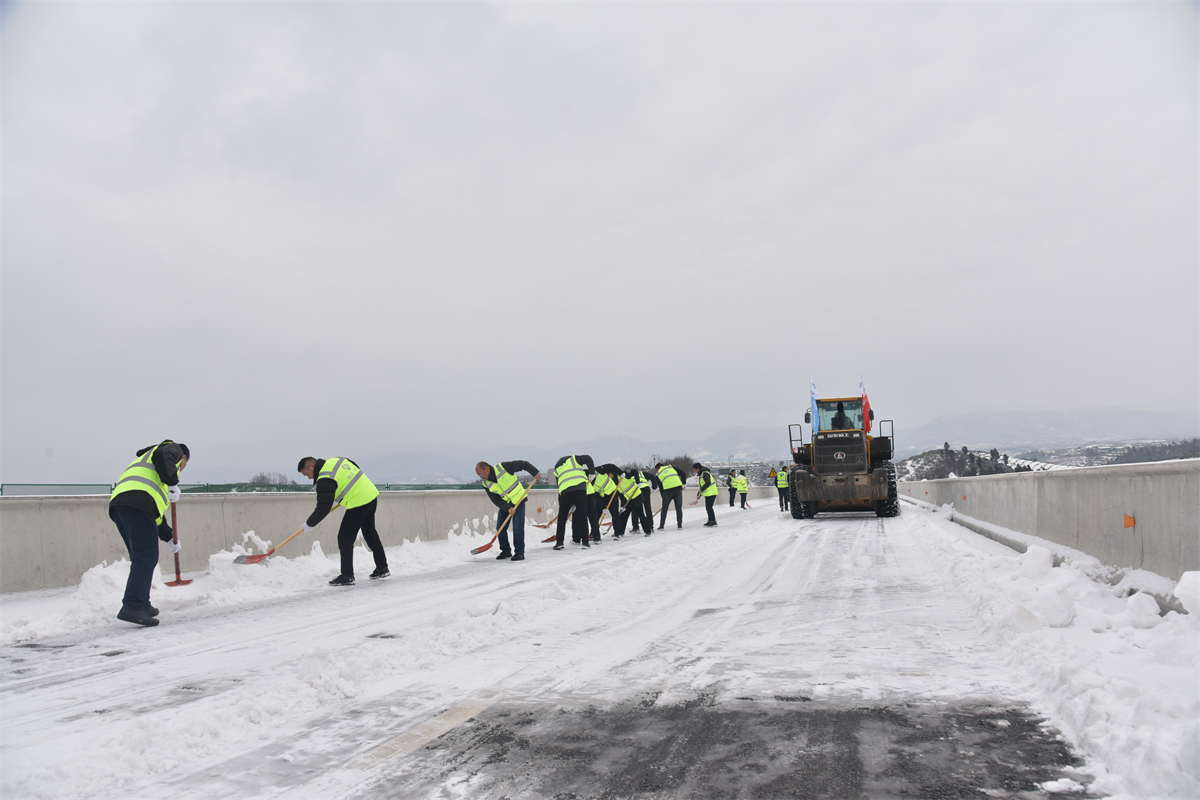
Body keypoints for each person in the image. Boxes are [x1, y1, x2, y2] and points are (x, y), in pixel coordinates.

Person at [108, 440, 190, 626]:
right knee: (146, 557)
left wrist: (169, 536)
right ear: (183, 457)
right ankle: (132, 606)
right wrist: (172, 481)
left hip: (123, 505)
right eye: (183, 465)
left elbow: (155, 515)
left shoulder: (152, 472)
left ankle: (143, 604)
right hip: (136, 503)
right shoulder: (172, 449)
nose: (181, 469)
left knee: (143, 557)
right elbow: (164, 456)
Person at [298, 456, 389, 585]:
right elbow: (354, 466)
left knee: (344, 538)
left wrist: (309, 524)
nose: (309, 477)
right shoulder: (335, 461)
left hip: (359, 501)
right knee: (370, 533)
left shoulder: (324, 478)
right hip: (370, 493)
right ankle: (382, 568)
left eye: (307, 474)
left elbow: (323, 507)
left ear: (312, 466)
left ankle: (347, 575)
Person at [476, 460, 540, 561]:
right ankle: (506, 551)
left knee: (517, 528)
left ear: (487, 469)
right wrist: (508, 508)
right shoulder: (486, 484)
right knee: (500, 528)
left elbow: (524, 464)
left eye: (480, 473)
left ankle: (519, 553)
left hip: (519, 500)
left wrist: (535, 472)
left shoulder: (503, 468)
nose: (480, 476)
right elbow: (495, 499)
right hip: (506, 504)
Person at [552, 454, 595, 550]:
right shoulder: (574, 459)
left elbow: (560, 486)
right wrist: (592, 472)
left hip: (565, 493)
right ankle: (585, 542)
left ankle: (559, 542)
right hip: (580, 490)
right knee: (583, 517)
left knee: (562, 518)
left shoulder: (557, 468)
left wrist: (562, 502)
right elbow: (588, 458)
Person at [591, 467, 619, 542]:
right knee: (596, 515)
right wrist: (603, 507)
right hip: (602, 497)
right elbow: (596, 496)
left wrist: (617, 474)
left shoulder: (599, 471)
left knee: (615, 514)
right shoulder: (589, 484)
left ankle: (617, 533)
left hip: (612, 494)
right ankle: (593, 533)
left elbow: (611, 468)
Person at [655, 461, 685, 530]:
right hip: (678, 489)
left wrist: (664, 498)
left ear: (657, 468)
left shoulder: (659, 474)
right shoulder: (671, 467)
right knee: (678, 508)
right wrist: (684, 484)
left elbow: (661, 487)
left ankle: (661, 526)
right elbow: (683, 473)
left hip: (667, 491)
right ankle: (679, 525)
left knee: (664, 509)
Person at [693, 462, 719, 527]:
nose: (695, 471)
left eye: (695, 470)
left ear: (698, 469)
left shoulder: (704, 473)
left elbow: (707, 483)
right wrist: (699, 494)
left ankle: (713, 521)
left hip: (711, 493)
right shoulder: (702, 474)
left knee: (709, 507)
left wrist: (701, 490)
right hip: (709, 493)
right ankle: (710, 520)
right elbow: (702, 486)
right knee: (708, 507)